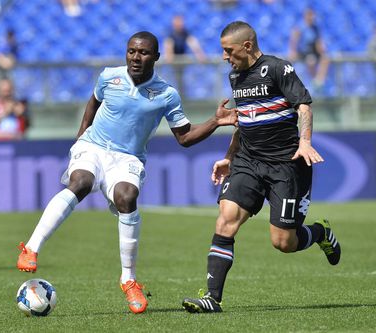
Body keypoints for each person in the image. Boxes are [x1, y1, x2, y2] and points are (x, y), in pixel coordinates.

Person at [16, 31, 237, 314]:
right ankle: (31, 247)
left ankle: (129, 280)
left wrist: (216, 121)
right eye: (132, 51)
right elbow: (93, 104)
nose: (136, 57)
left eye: (143, 52)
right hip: (94, 146)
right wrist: (80, 138)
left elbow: (185, 137)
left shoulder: (167, 94)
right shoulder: (109, 76)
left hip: (128, 157)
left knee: (127, 197)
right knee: (81, 181)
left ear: (156, 57)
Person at [182, 21, 341, 313]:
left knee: (283, 242)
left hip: (286, 166)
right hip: (249, 162)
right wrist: (230, 157)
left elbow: (303, 106)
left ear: (247, 46)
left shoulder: (279, 69)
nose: (223, 57)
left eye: (228, 50)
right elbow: (244, 123)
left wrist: (304, 142)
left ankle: (319, 233)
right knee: (226, 217)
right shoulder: (235, 78)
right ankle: (212, 298)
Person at [163, 15, 206, 98]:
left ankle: (182, 97)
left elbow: (193, 43)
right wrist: (169, 56)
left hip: (182, 61)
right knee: (174, 80)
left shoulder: (185, 33)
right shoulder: (171, 34)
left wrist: (199, 54)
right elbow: (168, 45)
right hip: (174, 62)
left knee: (182, 81)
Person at [289, 8, 329, 91]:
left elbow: (318, 41)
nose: (312, 18)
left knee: (325, 59)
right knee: (311, 60)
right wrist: (293, 51)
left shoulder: (315, 28)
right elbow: (294, 39)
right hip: (304, 51)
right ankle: (313, 80)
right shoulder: (301, 27)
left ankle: (319, 80)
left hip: (313, 50)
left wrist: (322, 50)